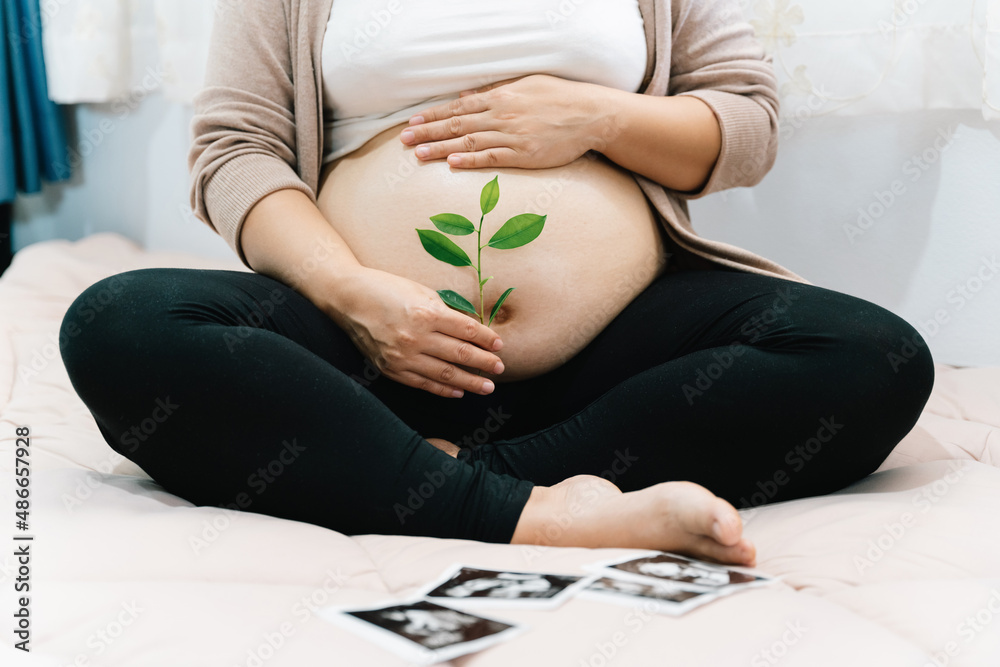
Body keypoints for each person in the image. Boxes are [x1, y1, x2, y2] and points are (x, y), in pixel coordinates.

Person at [59, 0, 934, 568]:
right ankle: (546, 516)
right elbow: (234, 152)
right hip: (364, 357)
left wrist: (598, 116)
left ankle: (459, 482)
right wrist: (353, 292)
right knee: (121, 323)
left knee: (873, 356)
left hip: (609, 359)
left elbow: (745, 123)